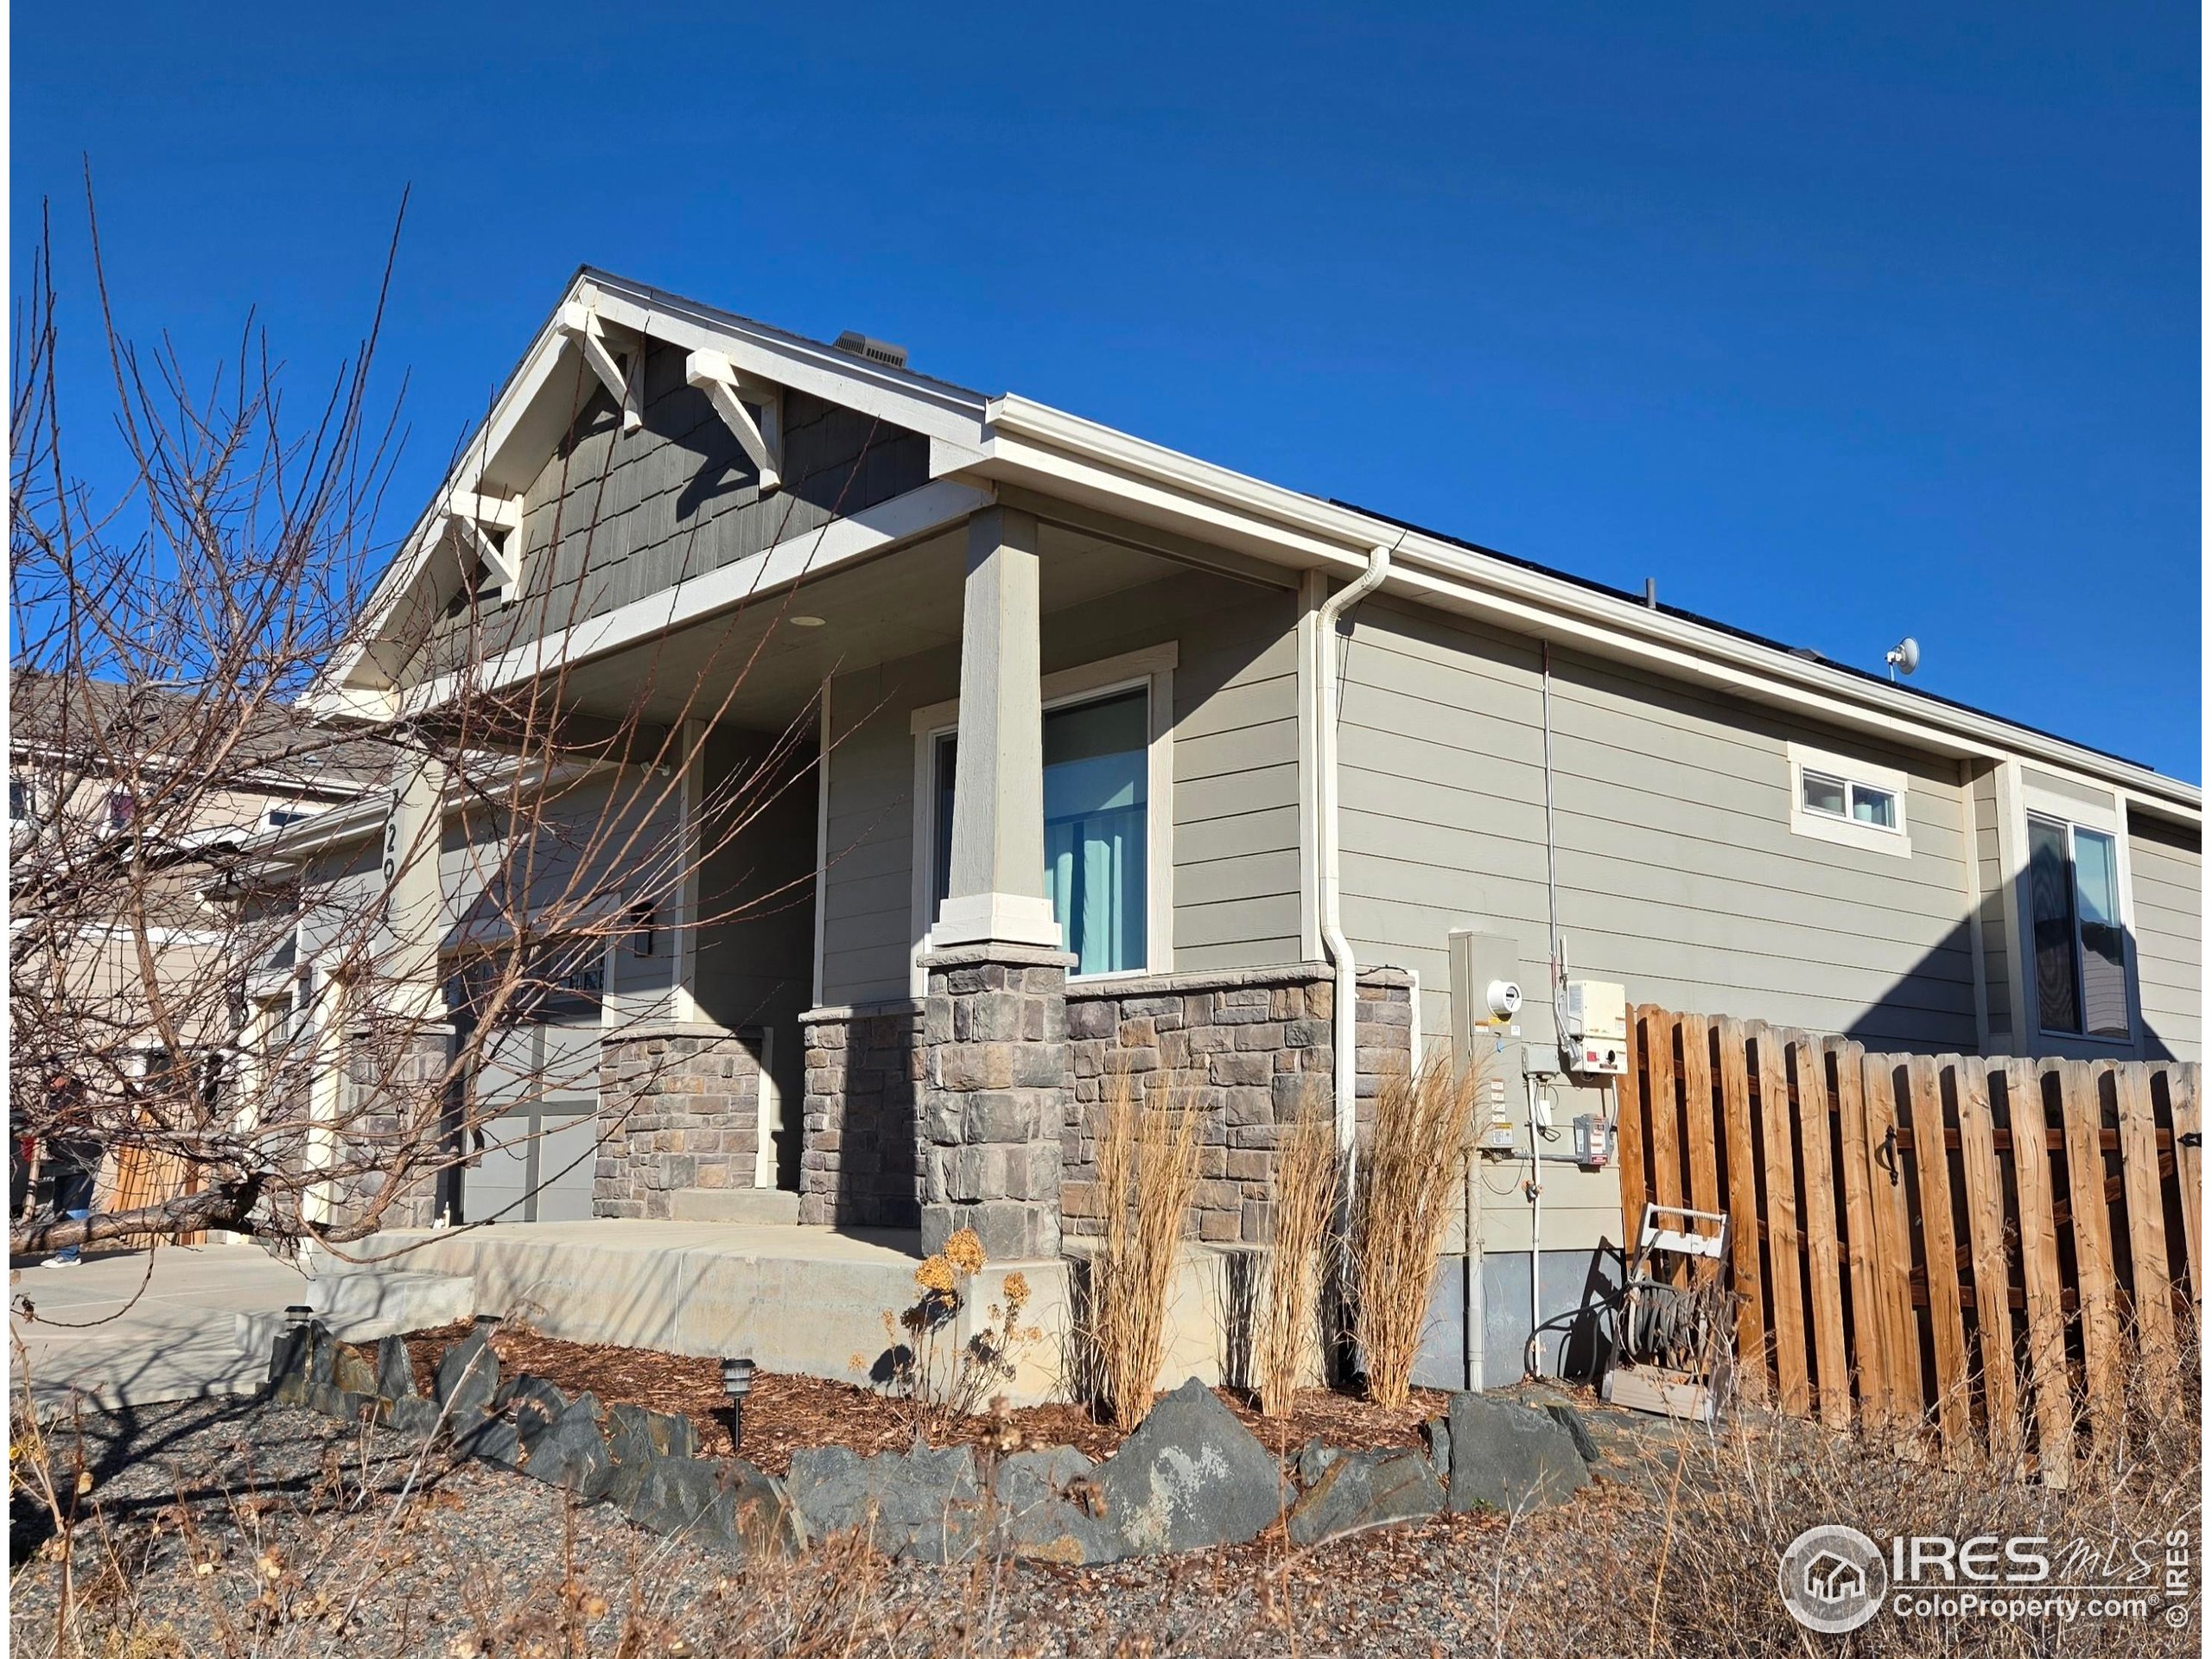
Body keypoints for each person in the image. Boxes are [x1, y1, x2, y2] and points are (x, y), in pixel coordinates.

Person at [41, 1075, 100, 1267]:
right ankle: (64, 1250)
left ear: (63, 1079)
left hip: (81, 1158)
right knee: (59, 1205)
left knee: (74, 1206)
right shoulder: (58, 1097)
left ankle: (69, 1254)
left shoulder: (70, 1098)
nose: (47, 1082)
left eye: (51, 1078)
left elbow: (50, 1123)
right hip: (65, 1158)